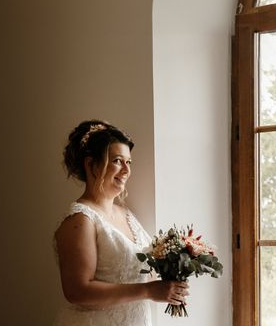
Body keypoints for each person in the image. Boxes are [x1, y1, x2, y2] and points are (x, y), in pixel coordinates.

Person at [53, 119, 189, 326]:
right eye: (117, 161)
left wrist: (173, 276)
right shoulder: (80, 220)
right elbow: (77, 291)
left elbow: (138, 271)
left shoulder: (126, 214)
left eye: (129, 162)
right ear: (91, 164)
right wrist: (148, 291)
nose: (126, 170)